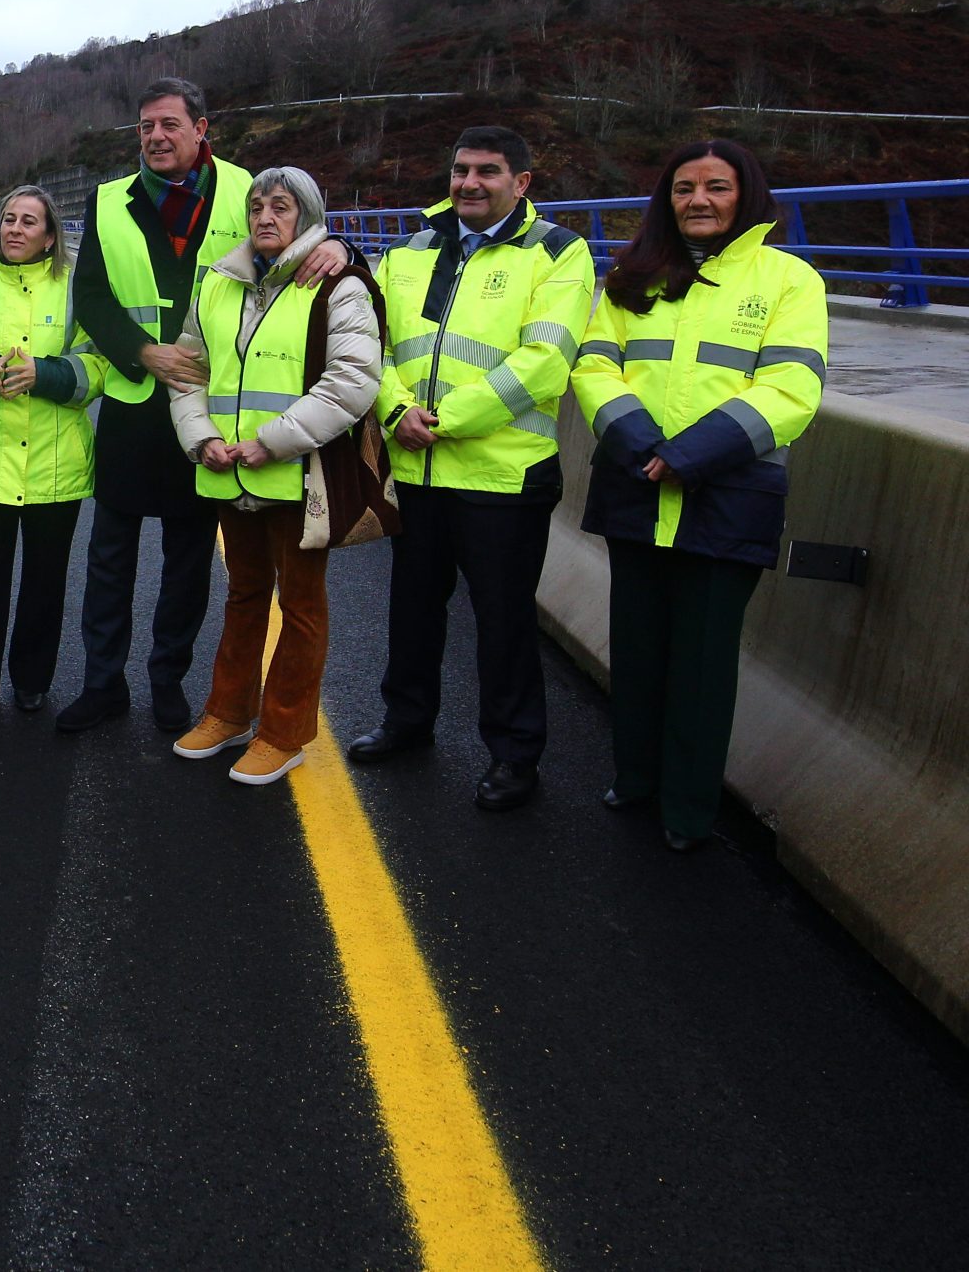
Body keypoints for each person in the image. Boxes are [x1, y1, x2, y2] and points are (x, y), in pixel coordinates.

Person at [65, 77, 345, 736]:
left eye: (168, 124)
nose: (156, 137)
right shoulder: (108, 201)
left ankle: (168, 679)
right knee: (110, 557)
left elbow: (296, 237)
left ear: (201, 128)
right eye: (145, 127)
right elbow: (93, 298)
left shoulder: (249, 189)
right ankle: (102, 683)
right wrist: (143, 352)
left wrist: (338, 245)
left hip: (214, 407)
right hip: (135, 401)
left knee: (189, 558)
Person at [571, 139, 827, 851]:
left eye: (716, 187)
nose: (699, 201)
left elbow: (793, 387)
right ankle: (636, 778)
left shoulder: (788, 280)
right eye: (685, 188)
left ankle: (688, 807)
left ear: (746, 194)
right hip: (637, 485)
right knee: (640, 646)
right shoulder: (636, 273)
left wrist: (693, 456)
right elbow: (595, 364)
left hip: (729, 491)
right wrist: (644, 446)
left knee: (704, 661)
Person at [352, 127, 594, 811]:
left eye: (489, 172)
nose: (469, 183)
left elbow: (545, 362)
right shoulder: (413, 247)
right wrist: (398, 413)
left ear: (522, 182)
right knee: (412, 610)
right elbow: (377, 343)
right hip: (419, 468)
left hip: (501, 477)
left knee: (503, 621)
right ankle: (406, 722)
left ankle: (515, 754)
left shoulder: (556, 252)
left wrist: (447, 420)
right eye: (460, 170)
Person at [167, 166, 383, 785]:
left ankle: (285, 730)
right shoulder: (217, 284)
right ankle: (229, 712)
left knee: (302, 606)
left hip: (296, 477)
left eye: (282, 206)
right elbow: (188, 371)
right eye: (258, 205)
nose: (265, 216)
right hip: (230, 474)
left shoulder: (337, 283)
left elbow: (352, 382)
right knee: (242, 595)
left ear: (308, 217)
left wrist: (271, 443)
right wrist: (202, 437)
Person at [0, 188, 108, 722]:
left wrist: (46, 372)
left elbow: (98, 366)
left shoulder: (76, 292)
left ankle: (32, 680)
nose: (14, 229)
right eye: (7, 220)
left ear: (50, 235)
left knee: (45, 579)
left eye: (28, 221)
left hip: (55, 458)